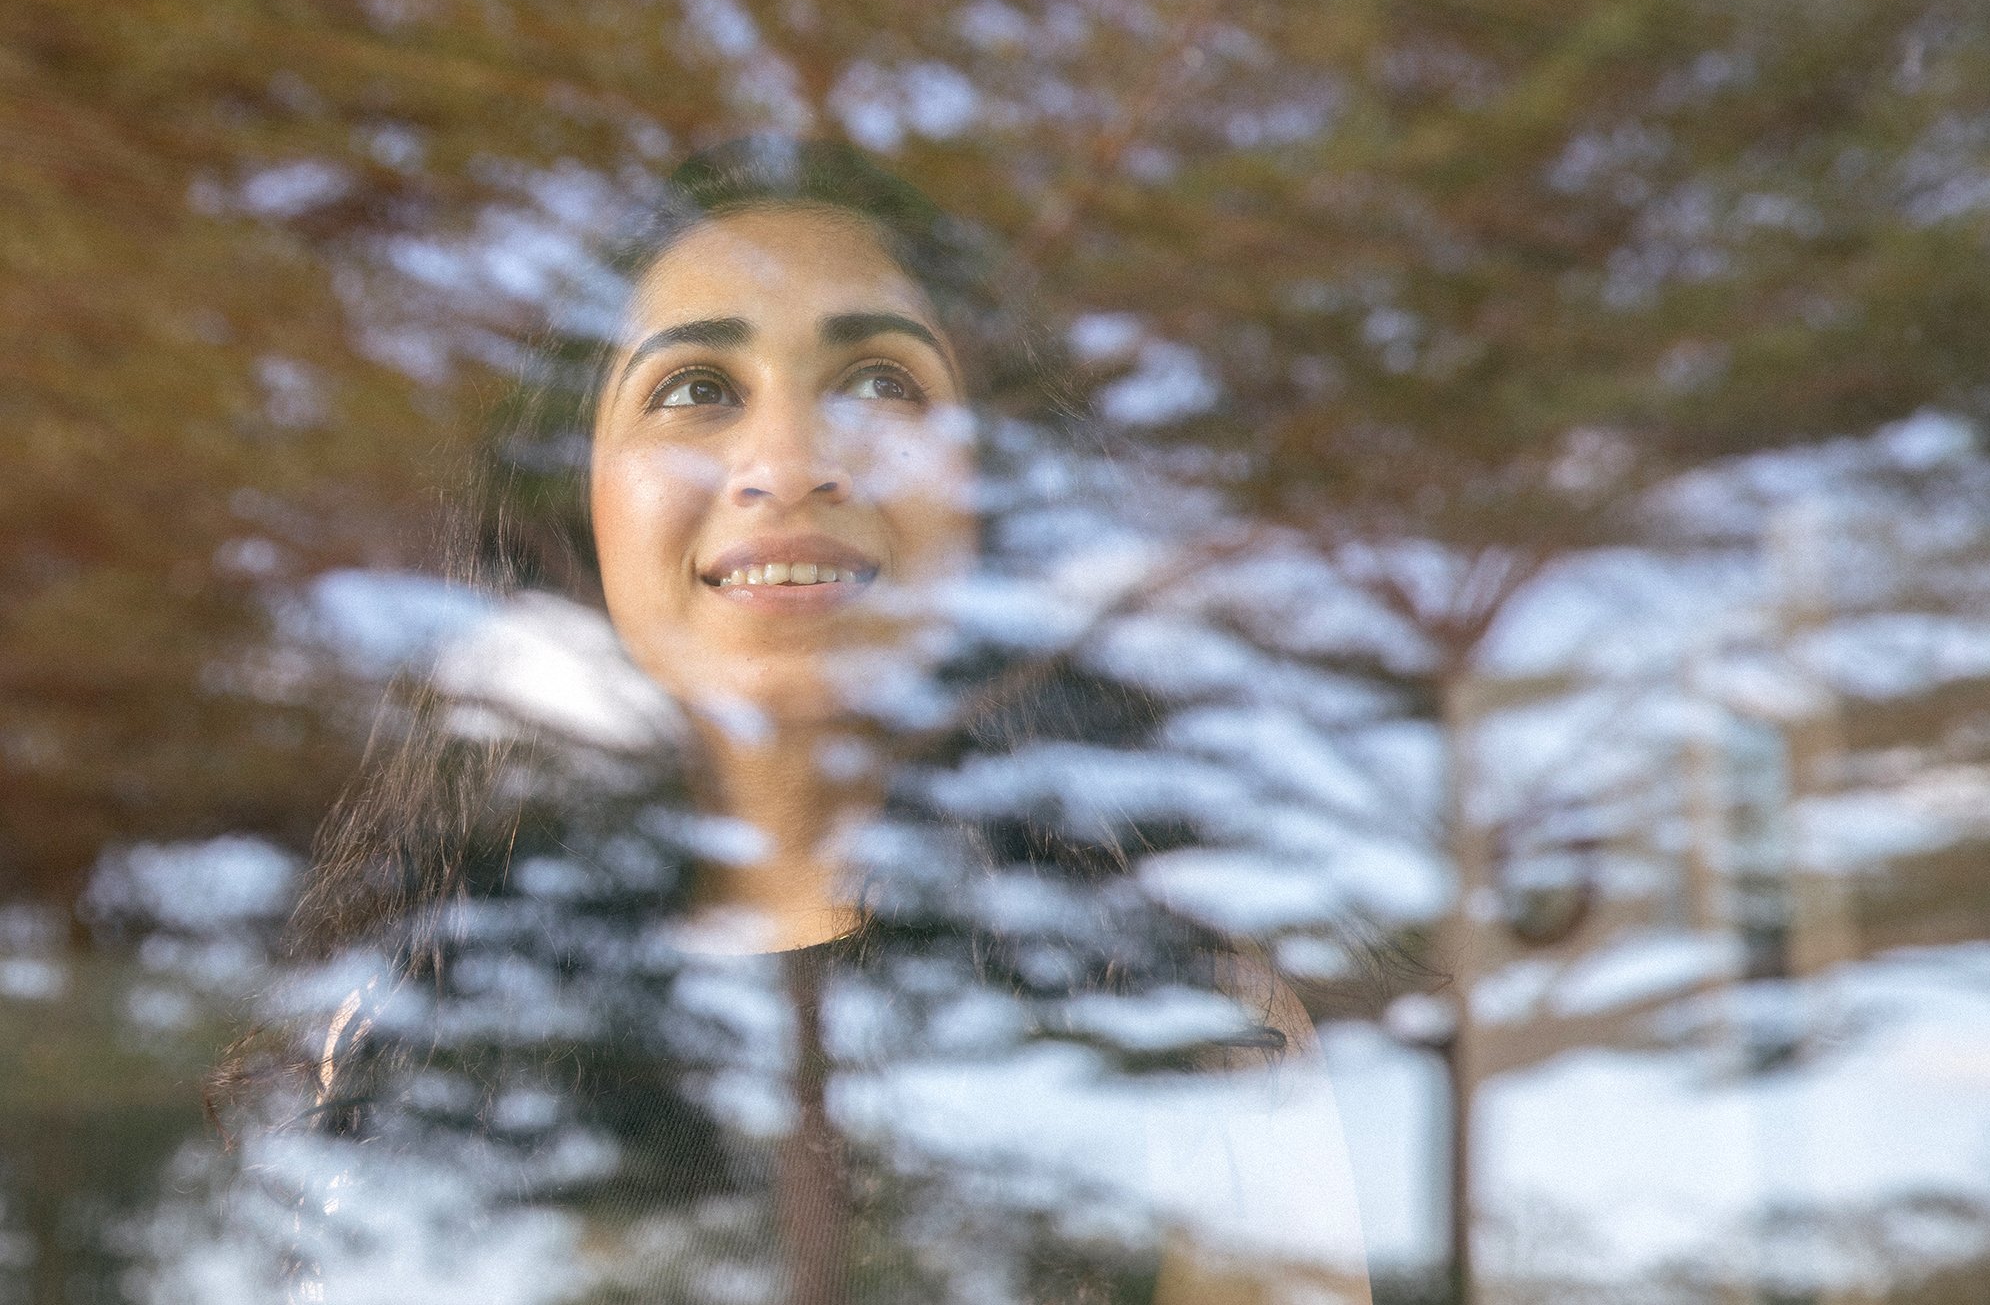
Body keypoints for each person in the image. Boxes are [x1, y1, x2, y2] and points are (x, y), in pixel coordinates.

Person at [215, 136, 1372, 1305]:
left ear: (986, 491)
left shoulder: (1184, 1016)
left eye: (880, 379)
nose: (788, 461)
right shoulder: (373, 1043)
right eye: (697, 389)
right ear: (580, 504)